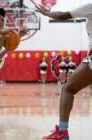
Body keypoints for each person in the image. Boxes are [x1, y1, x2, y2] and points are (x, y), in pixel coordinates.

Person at [31, 1, 92, 140]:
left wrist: (46, 12)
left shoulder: (90, 7)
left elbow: (62, 15)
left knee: (67, 89)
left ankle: (63, 132)